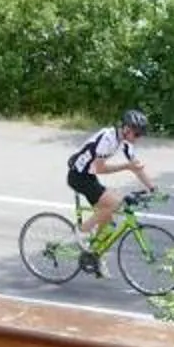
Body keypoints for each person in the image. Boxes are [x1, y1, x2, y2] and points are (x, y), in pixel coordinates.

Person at [66, 110, 155, 272]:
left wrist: (152, 188)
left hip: (89, 176)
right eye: (137, 134)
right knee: (114, 203)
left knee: (107, 219)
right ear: (127, 129)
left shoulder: (126, 143)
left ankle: (95, 255)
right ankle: (82, 231)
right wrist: (126, 167)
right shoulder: (107, 138)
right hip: (79, 177)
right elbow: (99, 168)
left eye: (140, 135)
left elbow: (137, 167)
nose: (138, 138)